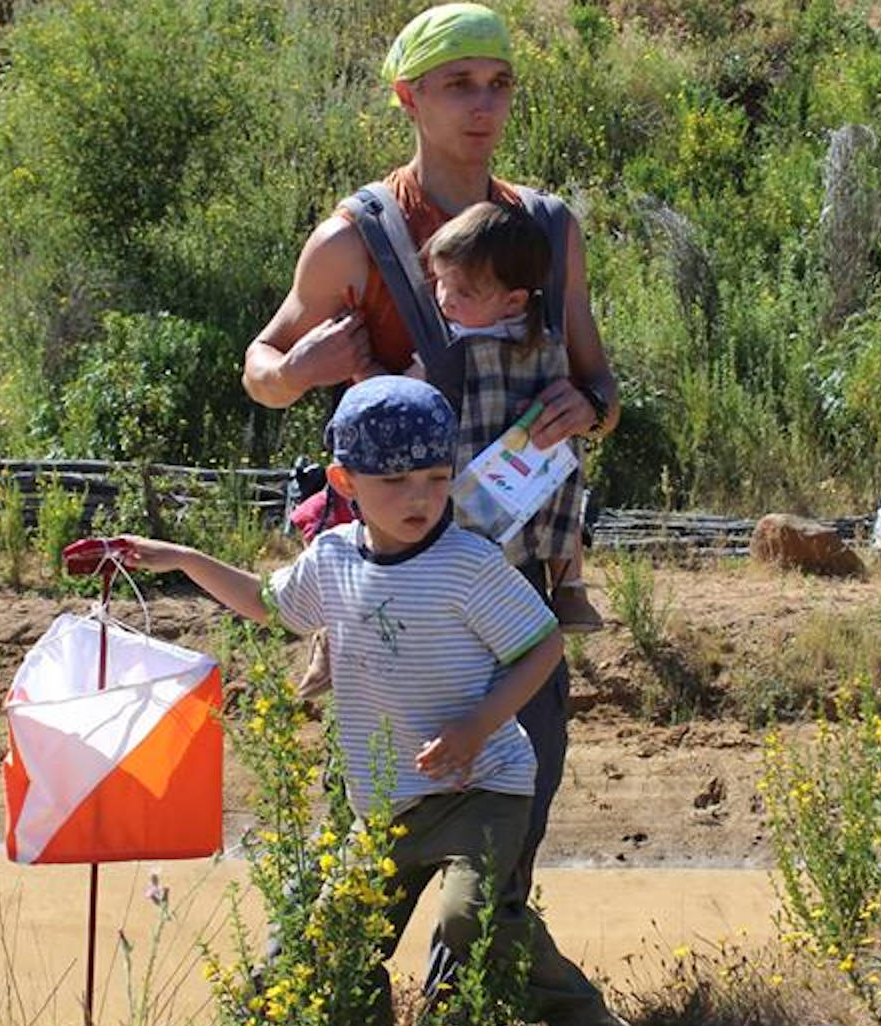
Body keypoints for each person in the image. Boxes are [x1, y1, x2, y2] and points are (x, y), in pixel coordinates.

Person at [121, 378, 626, 1026]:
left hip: (482, 786)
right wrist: (180, 559)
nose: (420, 497)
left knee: (468, 919)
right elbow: (268, 603)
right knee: (337, 942)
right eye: (395, 481)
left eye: (436, 477)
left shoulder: (468, 565)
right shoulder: (331, 561)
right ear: (344, 480)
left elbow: (542, 646)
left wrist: (479, 726)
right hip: (384, 805)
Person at [242, 0, 618, 906]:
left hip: (512, 579)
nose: (482, 106)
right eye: (458, 86)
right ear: (409, 97)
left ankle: (468, 1022)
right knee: (367, 832)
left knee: (513, 825)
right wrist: (298, 370)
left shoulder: (546, 229)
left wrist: (587, 408)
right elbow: (259, 368)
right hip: (391, 597)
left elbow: (602, 387)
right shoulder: (355, 235)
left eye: (498, 85)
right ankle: (340, 1018)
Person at [426, 199, 603, 631]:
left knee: (566, 481)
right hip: (475, 466)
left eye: (464, 291)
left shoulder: (540, 343)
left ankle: (569, 582)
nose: (446, 299)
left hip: (526, 464)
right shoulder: (450, 336)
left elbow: (586, 395)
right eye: (440, 283)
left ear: (513, 302)